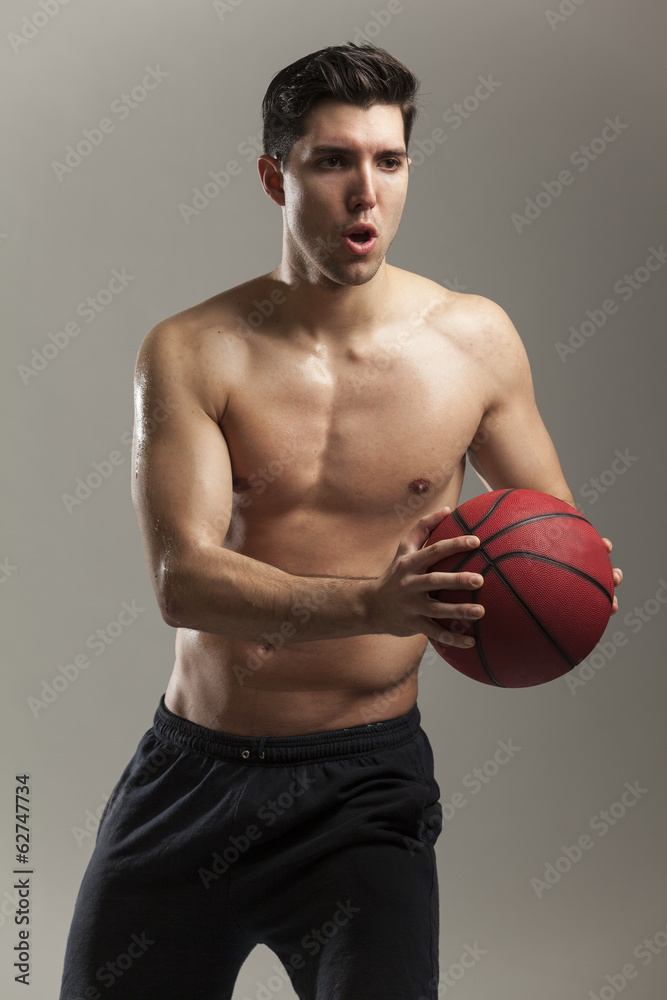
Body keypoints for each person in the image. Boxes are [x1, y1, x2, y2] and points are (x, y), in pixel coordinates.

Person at [59, 41, 622, 1000]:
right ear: (275, 177)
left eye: (388, 161)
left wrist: (571, 570)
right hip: (194, 777)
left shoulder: (473, 342)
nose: (366, 193)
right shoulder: (193, 351)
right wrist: (376, 603)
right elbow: (181, 579)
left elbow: (550, 527)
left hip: (365, 788)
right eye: (333, 162)